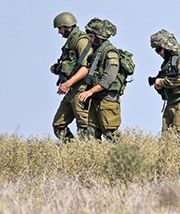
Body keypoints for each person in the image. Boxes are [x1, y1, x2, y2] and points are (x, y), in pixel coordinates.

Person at [76, 18, 125, 141]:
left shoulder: (110, 53)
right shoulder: (97, 53)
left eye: (91, 37)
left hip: (107, 100)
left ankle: (125, 157)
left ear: (100, 37)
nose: (89, 40)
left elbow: (108, 79)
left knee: (111, 134)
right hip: (96, 98)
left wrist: (90, 92)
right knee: (91, 134)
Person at [50, 12, 94, 141]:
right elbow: (73, 64)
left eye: (60, 28)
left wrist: (68, 83)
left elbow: (86, 68)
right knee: (58, 125)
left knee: (83, 126)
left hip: (80, 88)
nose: (59, 32)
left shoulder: (81, 41)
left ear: (67, 26)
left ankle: (87, 152)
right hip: (73, 88)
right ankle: (72, 151)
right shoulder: (71, 41)